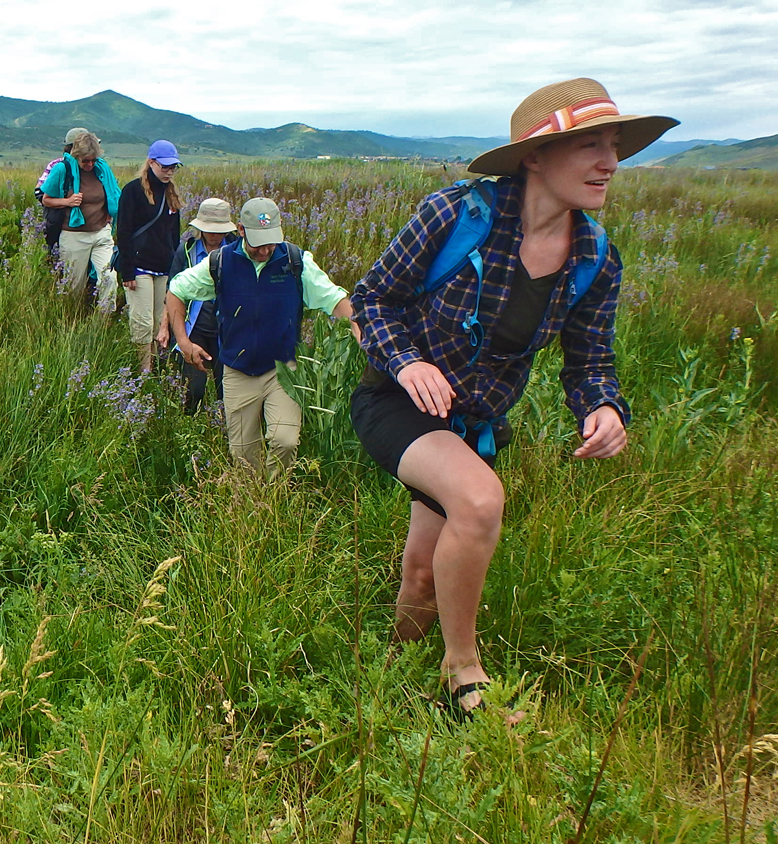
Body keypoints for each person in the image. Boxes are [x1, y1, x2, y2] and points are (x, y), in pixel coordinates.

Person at [348, 78, 677, 718]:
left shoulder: (596, 259)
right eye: (589, 144)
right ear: (534, 156)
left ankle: (391, 691)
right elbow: (372, 299)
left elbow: (590, 361)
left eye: (614, 145)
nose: (609, 162)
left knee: (422, 573)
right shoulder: (456, 216)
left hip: (471, 425)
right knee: (479, 499)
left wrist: (602, 408)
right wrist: (408, 360)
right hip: (396, 399)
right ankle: (463, 678)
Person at [168, 197, 361, 477]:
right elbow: (176, 291)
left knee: (284, 441)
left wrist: (360, 328)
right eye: (258, 242)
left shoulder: (296, 262)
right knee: (243, 453)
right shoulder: (220, 263)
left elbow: (335, 299)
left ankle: (275, 492)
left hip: (283, 370)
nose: (266, 249)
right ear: (241, 230)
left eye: (271, 241)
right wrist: (184, 343)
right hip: (236, 370)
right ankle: (254, 500)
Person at [160, 197, 239, 414]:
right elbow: (172, 289)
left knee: (228, 390)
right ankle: (189, 427)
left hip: (228, 330)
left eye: (219, 230)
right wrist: (164, 326)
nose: (214, 235)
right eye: (209, 229)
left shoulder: (238, 251)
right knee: (193, 389)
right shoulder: (186, 251)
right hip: (193, 328)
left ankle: (227, 434)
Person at [115, 140, 183, 372]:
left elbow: (175, 235)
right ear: (151, 163)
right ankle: (143, 371)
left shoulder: (171, 194)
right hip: (139, 266)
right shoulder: (132, 191)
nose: (169, 171)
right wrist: (128, 270)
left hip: (163, 266)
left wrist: (175, 268)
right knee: (142, 321)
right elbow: (123, 232)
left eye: (173, 167)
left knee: (158, 321)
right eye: (164, 167)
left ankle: (156, 367)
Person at [39, 131, 120, 309]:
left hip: (101, 233)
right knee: (73, 285)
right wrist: (67, 202)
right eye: (85, 161)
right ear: (76, 156)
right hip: (73, 235)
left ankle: (104, 320)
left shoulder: (102, 169)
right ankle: (71, 317)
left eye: (93, 159)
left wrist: (110, 211)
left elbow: (113, 194)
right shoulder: (62, 169)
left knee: (109, 278)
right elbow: (46, 199)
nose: (90, 164)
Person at [34, 127, 89, 254]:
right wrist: (67, 201)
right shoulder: (57, 166)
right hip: (60, 222)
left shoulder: (95, 167)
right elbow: (39, 192)